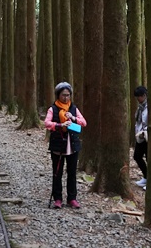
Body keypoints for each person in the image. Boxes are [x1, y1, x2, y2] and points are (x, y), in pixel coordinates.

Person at [44, 81, 87, 209]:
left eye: (68, 95)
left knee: (72, 172)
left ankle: (72, 198)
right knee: (57, 172)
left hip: (72, 145)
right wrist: (59, 125)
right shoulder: (53, 109)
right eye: (63, 95)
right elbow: (47, 123)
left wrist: (73, 118)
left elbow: (83, 123)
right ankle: (57, 198)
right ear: (58, 95)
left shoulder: (74, 108)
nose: (66, 97)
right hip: (58, 145)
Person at [132, 85, 149, 188]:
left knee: (149, 158)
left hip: (147, 136)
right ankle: (146, 176)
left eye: (139, 96)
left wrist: (145, 132)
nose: (138, 99)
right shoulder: (140, 107)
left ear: (144, 95)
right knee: (137, 156)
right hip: (140, 137)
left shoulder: (149, 107)